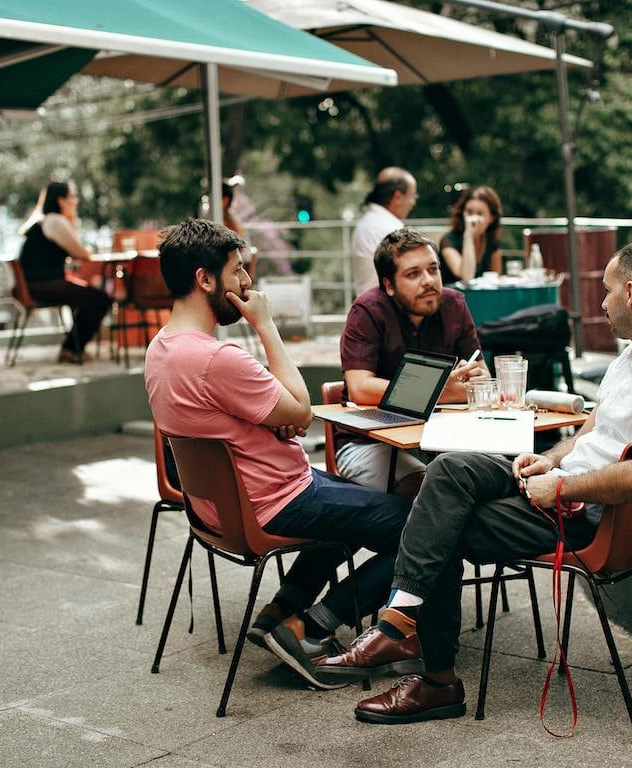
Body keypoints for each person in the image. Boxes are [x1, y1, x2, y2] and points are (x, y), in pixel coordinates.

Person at [315, 239, 632, 724]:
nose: (602, 302)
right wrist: (549, 461)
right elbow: (591, 432)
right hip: (565, 488)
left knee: (445, 522)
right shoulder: (630, 359)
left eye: (608, 292)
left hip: (597, 518)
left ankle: (437, 680)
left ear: (631, 293)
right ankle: (400, 618)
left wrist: (563, 488)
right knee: (449, 469)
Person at [145, 218, 410, 691]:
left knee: (353, 504)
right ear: (205, 280)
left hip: (219, 509)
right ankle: (309, 629)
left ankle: (277, 613)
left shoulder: (161, 349)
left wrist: (279, 415)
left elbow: (284, 414)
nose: (248, 284)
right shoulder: (216, 359)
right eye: (237, 272)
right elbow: (301, 410)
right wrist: (266, 326)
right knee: (419, 526)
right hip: (276, 501)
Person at [337, 228, 488, 499]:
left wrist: (470, 383)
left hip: (444, 437)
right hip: (371, 442)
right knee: (432, 495)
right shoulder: (367, 311)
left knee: (499, 479)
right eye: (413, 274)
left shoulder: (454, 304)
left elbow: (481, 380)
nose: (429, 281)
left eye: (433, 269)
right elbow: (360, 388)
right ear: (389, 285)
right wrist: (441, 391)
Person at [17, 181, 112, 364]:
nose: (76, 201)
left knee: (90, 296)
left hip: (33, 284)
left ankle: (72, 347)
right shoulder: (55, 221)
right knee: (100, 299)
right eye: (73, 197)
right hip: (42, 285)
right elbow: (81, 253)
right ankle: (71, 349)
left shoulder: (43, 220)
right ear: (62, 200)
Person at [351, 167, 417, 295]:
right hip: (384, 308)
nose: (413, 202)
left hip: (367, 303)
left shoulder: (367, 222)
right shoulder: (390, 228)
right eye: (412, 196)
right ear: (398, 196)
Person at [438, 186, 503, 285]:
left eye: (480, 214)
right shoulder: (448, 240)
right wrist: (468, 235)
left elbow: (496, 279)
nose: (473, 219)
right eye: (469, 212)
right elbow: (466, 277)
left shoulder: (492, 241)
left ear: (491, 218)